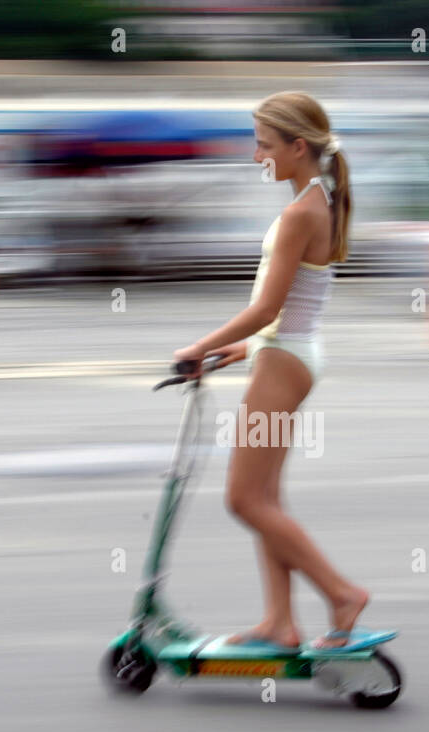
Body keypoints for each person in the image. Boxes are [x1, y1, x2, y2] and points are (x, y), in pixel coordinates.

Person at [172, 91, 369, 651]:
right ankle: (280, 623)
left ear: (297, 145)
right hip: (287, 353)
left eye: (264, 144)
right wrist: (242, 350)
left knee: (244, 500)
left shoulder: (298, 213)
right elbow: (292, 304)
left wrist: (197, 347)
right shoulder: (319, 199)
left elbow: (265, 307)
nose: (256, 155)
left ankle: (341, 594)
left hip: (283, 362)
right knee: (266, 501)